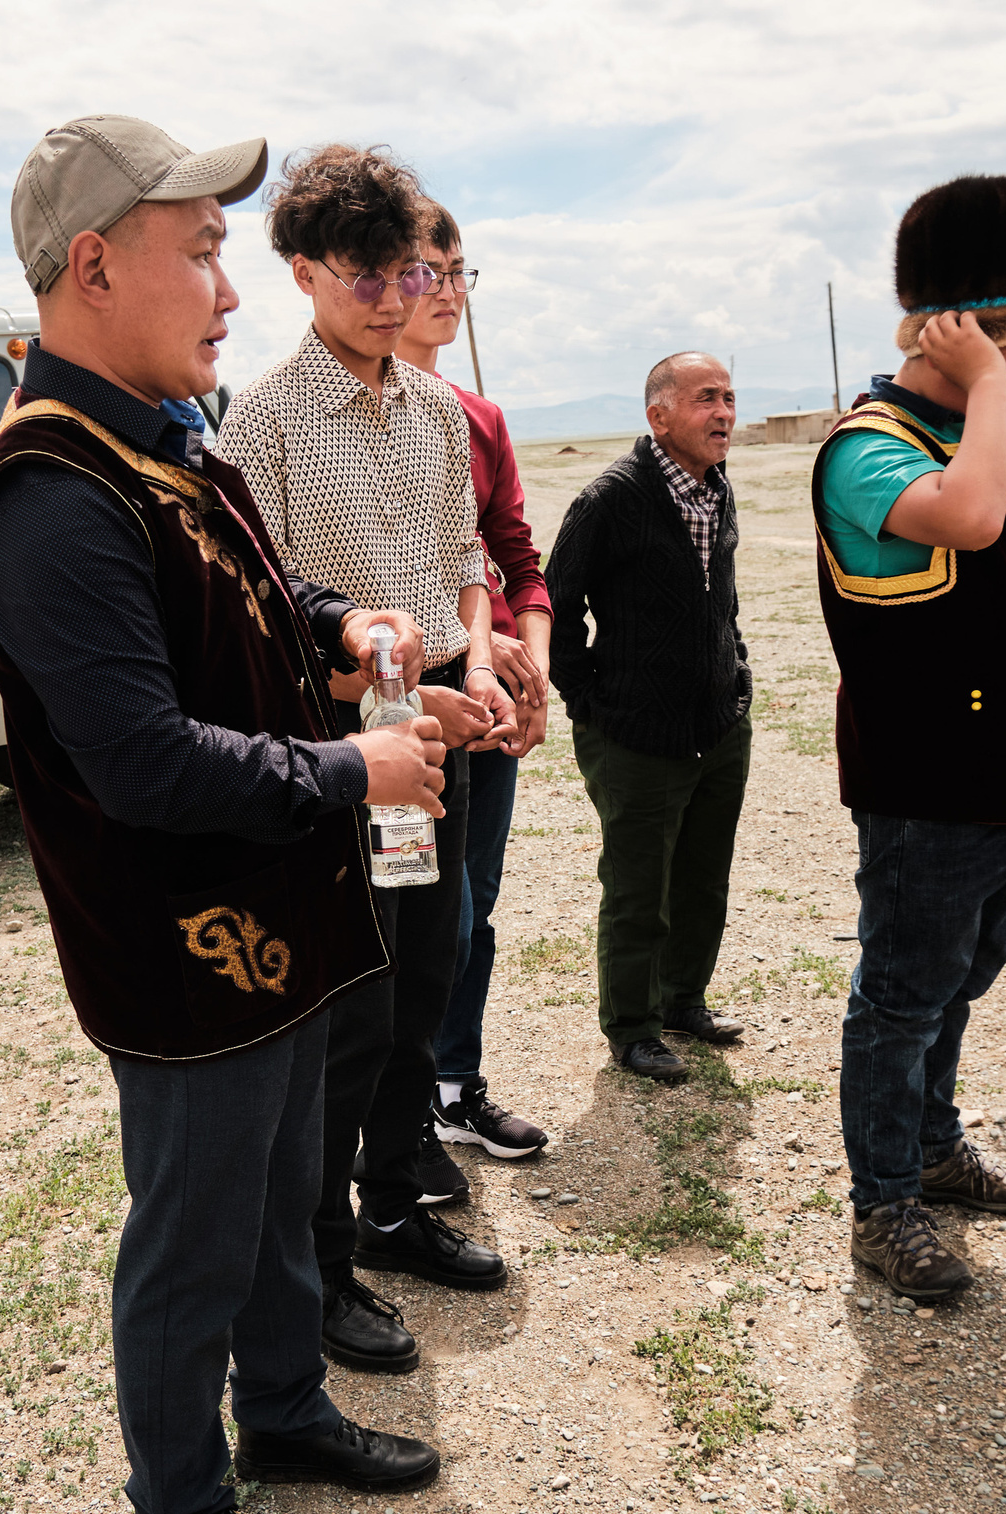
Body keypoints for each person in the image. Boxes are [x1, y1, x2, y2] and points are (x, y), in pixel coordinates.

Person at [0, 114, 447, 1514]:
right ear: (95, 266)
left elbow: (259, 582)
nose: (230, 290)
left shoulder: (161, 437)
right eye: (202, 251)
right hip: (181, 946)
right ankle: (180, 1499)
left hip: (275, 910)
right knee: (193, 1233)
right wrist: (356, 770)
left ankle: (285, 1408)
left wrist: (343, 622)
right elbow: (146, 763)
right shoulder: (55, 488)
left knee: (283, 1187)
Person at [219, 145, 514, 1378]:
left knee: (429, 976)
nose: (397, 298)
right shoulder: (262, 423)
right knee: (349, 1012)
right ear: (302, 272)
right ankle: (321, 1262)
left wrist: (479, 666)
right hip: (339, 758)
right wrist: (379, 706)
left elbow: (462, 560)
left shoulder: (437, 411)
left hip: (442, 733)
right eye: (368, 275)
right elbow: (258, 623)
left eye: (413, 273)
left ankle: (394, 1201)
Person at [812, 175, 1006, 1298]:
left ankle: (933, 1147)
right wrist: (996, 382)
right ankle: (883, 1201)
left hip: (1005, 773)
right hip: (925, 781)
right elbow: (976, 517)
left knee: (958, 981)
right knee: (901, 997)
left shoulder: (982, 432)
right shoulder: (868, 447)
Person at [393, 197, 555, 1174]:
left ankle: (455, 1088)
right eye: (426, 270)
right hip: (401, 705)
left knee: (473, 908)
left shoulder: (478, 418)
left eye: (459, 273)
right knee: (423, 916)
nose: (447, 291)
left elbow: (514, 561)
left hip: (486, 696)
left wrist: (531, 664)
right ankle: (397, 1119)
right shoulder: (338, 415)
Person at [546, 351, 754, 1085]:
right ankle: (633, 1027)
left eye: (729, 397)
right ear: (658, 416)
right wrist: (589, 701)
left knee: (704, 875)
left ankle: (682, 1000)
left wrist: (736, 673)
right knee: (638, 888)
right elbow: (556, 603)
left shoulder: (719, 487)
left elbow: (721, 599)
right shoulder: (610, 498)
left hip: (718, 725)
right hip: (634, 733)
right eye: (706, 398)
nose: (724, 412)